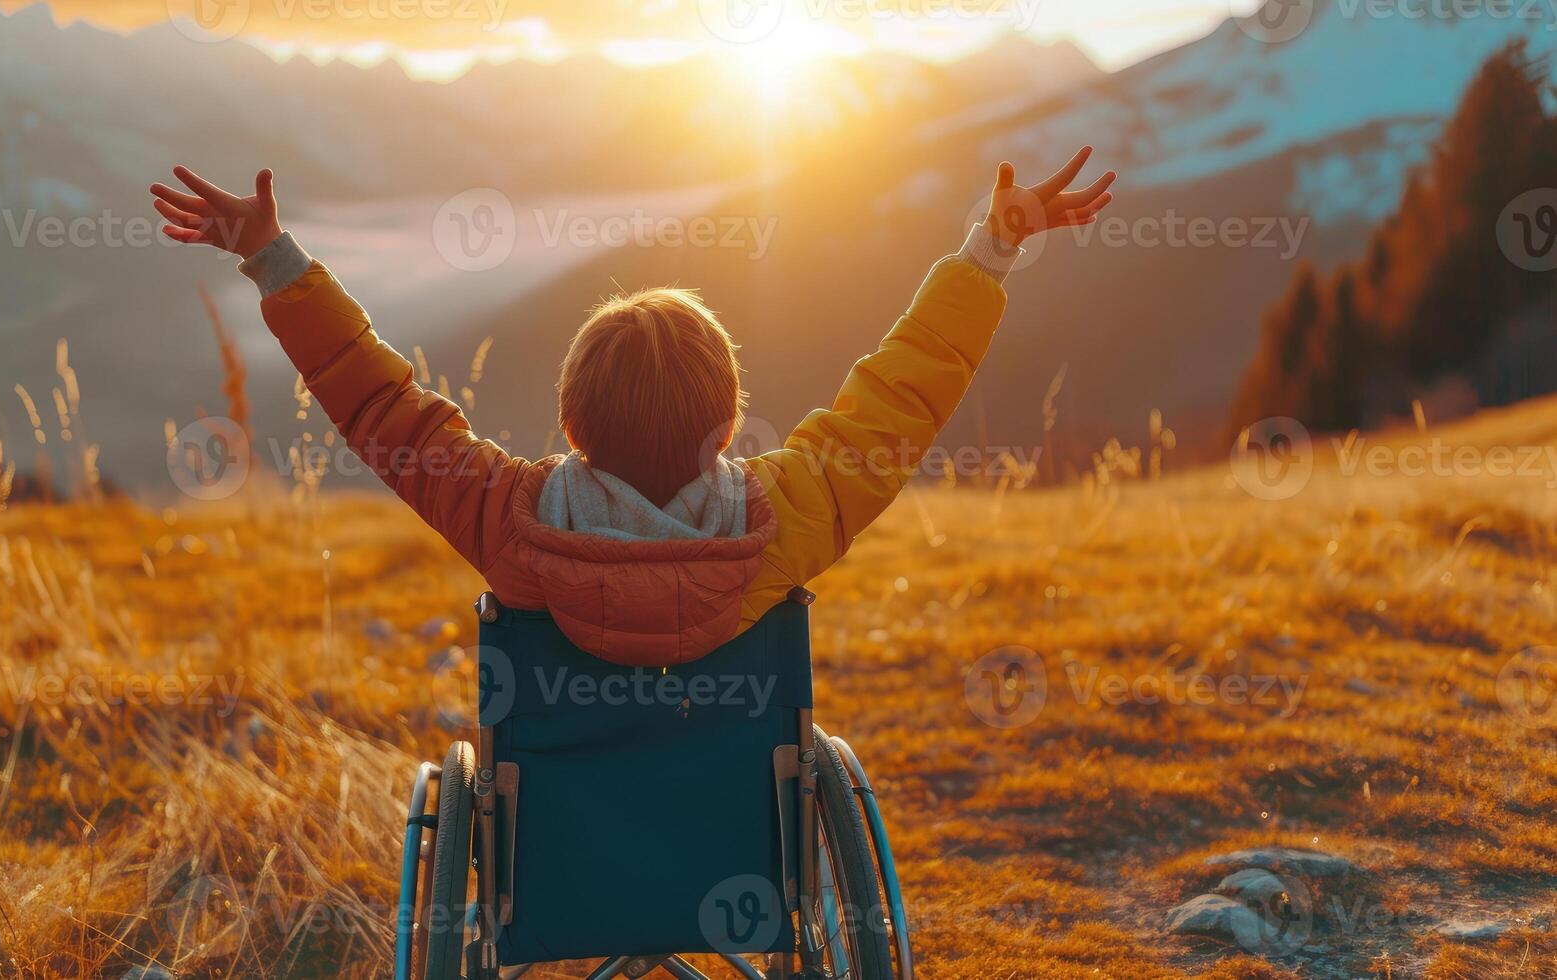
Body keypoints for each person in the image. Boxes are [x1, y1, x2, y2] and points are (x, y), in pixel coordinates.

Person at [149, 149, 1114, 665]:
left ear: (573, 422)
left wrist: (275, 262)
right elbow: (906, 388)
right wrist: (989, 252)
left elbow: (375, 402)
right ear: (727, 425)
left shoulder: (505, 519)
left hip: (564, 876)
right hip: (736, 858)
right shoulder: (791, 518)